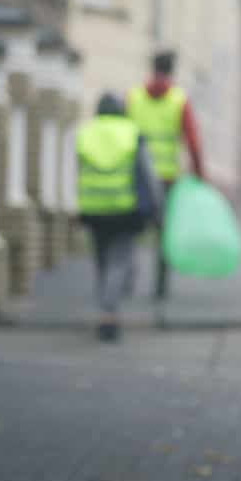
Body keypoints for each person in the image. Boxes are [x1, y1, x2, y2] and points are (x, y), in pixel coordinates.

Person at [77, 92, 161, 342]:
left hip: (92, 207)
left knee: (102, 258)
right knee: (119, 261)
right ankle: (109, 315)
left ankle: (106, 303)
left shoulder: (86, 133)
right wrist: (158, 207)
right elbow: (148, 173)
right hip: (123, 207)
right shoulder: (132, 133)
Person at [127, 51, 205, 316]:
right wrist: (198, 173)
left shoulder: (135, 97)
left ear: (152, 68)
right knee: (162, 233)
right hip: (167, 178)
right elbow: (192, 141)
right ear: (172, 71)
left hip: (136, 175)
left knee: (133, 227)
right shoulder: (178, 100)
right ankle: (160, 287)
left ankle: (126, 277)